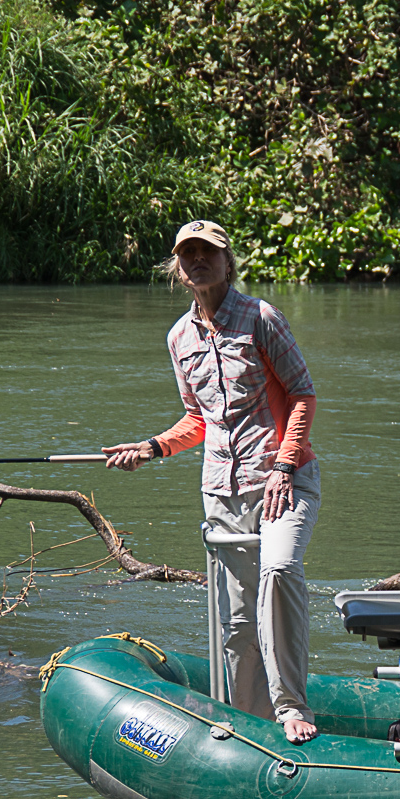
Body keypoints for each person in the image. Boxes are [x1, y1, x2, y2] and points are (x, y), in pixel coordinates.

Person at [102, 220, 323, 744]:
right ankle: (246, 723)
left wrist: (285, 465)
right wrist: (150, 448)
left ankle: (291, 706)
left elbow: (302, 395)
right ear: (179, 269)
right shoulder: (179, 338)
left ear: (228, 262)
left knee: (280, 568)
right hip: (220, 491)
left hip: (283, 482)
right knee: (238, 622)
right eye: (188, 254)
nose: (198, 260)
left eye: (208, 252)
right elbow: (196, 420)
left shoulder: (261, 317)